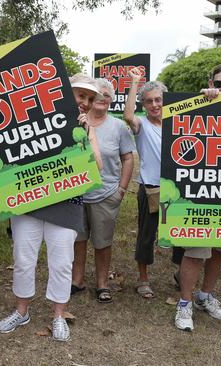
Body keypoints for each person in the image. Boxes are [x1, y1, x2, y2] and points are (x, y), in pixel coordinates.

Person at [0, 74, 101, 342]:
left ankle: (58, 315)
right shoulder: (35, 117)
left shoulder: (88, 127)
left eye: (90, 99)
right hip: (29, 202)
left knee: (62, 263)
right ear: (66, 93)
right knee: (23, 259)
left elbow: (97, 166)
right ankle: (22, 311)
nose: (86, 103)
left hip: (66, 205)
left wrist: (86, 135)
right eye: (81, 96)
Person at [174, 63, 221, 331]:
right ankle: (185, 303)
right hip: (200, 189)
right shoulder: (198, 103)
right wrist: (202, 98)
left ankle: (205, 295)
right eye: (218, 83)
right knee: (195, 251)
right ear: (210, 82)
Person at [70, 78, 135, 303]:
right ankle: (76, 280)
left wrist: (122, 189)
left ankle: (102, 283)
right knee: (78, 239)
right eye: (100, 94)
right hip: (76, 193)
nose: (103, 97)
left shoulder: (118, 126)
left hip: (106, 193)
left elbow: (127, 158)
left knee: (102, 241)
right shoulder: (75, 120)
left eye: (108, 94)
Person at [123, 67, 167, 299]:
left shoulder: (178, 122)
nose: (154, 105)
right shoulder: (141, 125)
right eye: (149, 101)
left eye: (158, 99)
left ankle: (182, 272)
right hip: (151, 187)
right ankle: (143, 278)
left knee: (180, 235)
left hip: (178, 188)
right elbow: (128, 116)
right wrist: (134, 83)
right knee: (146, 235)